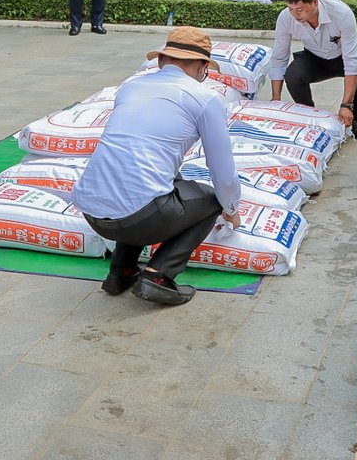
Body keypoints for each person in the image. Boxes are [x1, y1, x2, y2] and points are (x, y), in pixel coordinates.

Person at [72, 26, 241, 305]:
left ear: (162, 61)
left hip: (92, 213)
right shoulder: (205, 98)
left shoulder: (130, 86)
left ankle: (121, 271)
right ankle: (158, 275)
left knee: (149, 183)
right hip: (140, 217)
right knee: (213, 198)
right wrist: (231, 208)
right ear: (201, 67)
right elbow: (223, 173)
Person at [269, 0, 357, 140]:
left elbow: (351, 61)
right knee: (293, 75)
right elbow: (279, 58)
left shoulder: (341, 13)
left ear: (314, 2)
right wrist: (276, 100)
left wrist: (346, 105)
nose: (295, 14)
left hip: (342, 55)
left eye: (300, 9)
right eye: (291, 9)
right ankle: (310, 118)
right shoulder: (285, 18)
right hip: (314, 57)